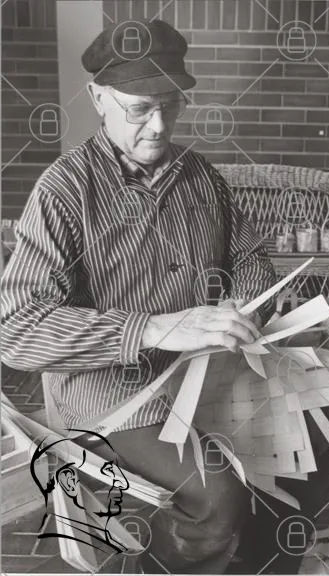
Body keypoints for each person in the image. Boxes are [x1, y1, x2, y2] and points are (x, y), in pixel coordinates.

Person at [1, 17, 277, 574]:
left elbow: (252, 262)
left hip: (204, 371)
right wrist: (154, 327)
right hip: (110, 393)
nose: (159, 126)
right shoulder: (65, 189)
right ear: (99, 99)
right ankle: (168, 565)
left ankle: (259, 559)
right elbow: (18, 330)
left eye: (171, 106)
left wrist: (242, 307)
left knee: (310, 441)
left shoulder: (202, 177)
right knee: (217, 495)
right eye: (140, 109)